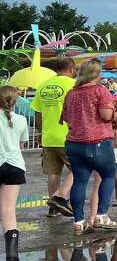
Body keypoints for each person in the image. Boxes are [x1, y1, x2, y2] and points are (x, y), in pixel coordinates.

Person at [61, 59, 117, 235]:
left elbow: (67, 118)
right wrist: (116, 116)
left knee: (79, 181)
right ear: (96, 73)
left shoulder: (71, 93)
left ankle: (79, 222)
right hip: (98, 142)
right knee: (109, 175)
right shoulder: (100, 91)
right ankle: (101, 215)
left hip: (74, 143)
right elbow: (106, 114)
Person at [30, 57, 76, 218]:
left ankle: (53, 207)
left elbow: (37, 113)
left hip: (48, 136)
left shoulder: (42, 86)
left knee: (53, 172)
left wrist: (41, 132)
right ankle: (60, 196)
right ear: (71, 69)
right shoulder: (73, 85)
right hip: (68, 135)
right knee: (79, 168)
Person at [1, 86, 30, 261]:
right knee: (8, 210)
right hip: (14, 166)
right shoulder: (21, 119)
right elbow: (22, 143)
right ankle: (12, 255)